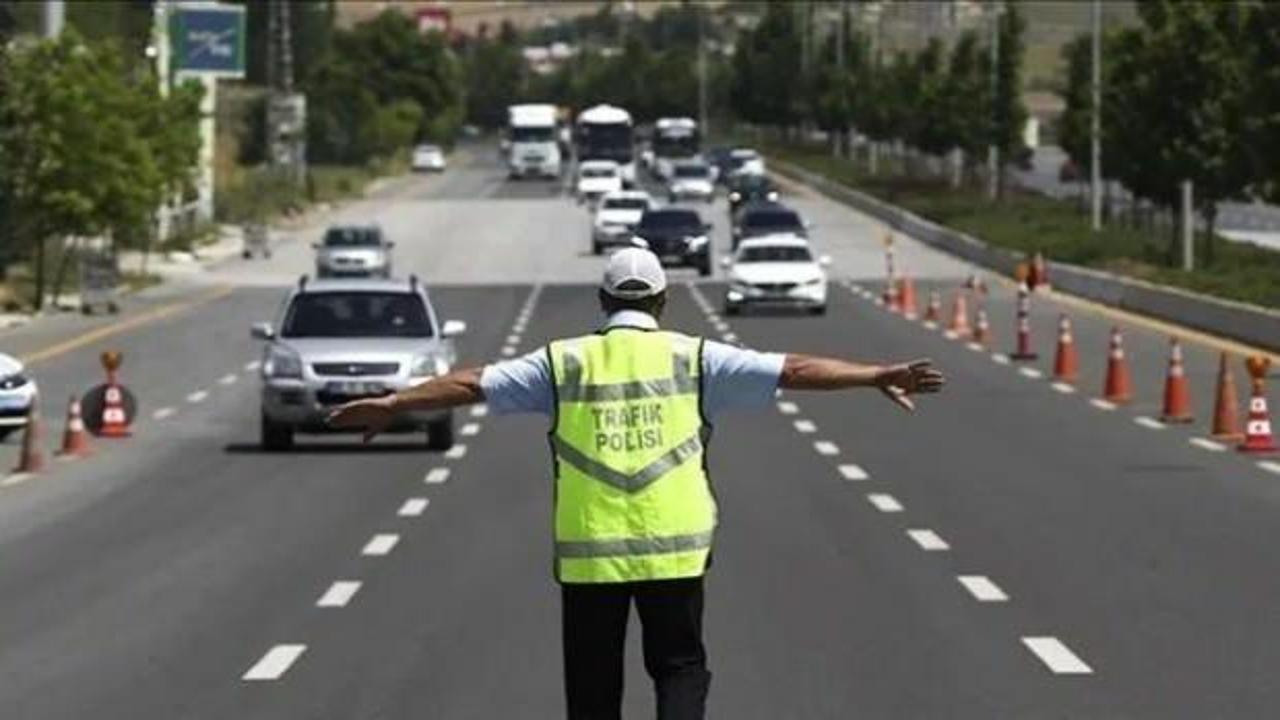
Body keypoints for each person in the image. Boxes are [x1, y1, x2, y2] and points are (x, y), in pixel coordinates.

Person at [328, 247, 945, 720]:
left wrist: (395, 402)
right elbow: (795, 369)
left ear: (602, 300)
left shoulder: (562, 363)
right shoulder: (696, 357)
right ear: (663, 300)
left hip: (591, 557)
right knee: (679, 669)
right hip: (674, 549)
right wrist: (874, 374)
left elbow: (471, 383)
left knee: (594, 687)